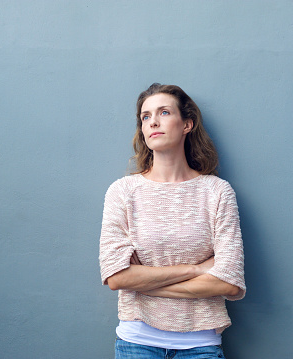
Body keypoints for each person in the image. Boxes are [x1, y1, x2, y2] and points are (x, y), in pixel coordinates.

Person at [99, 83, 245, 359]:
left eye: (164, 112)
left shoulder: (217, 192)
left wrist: (143, 282)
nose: (153, 121)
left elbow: (229, 283)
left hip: (200, 345)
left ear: (187, 124)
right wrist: (197, 269)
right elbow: (117, 277)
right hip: (136, 343)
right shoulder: (122, 192)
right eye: (145, 116)